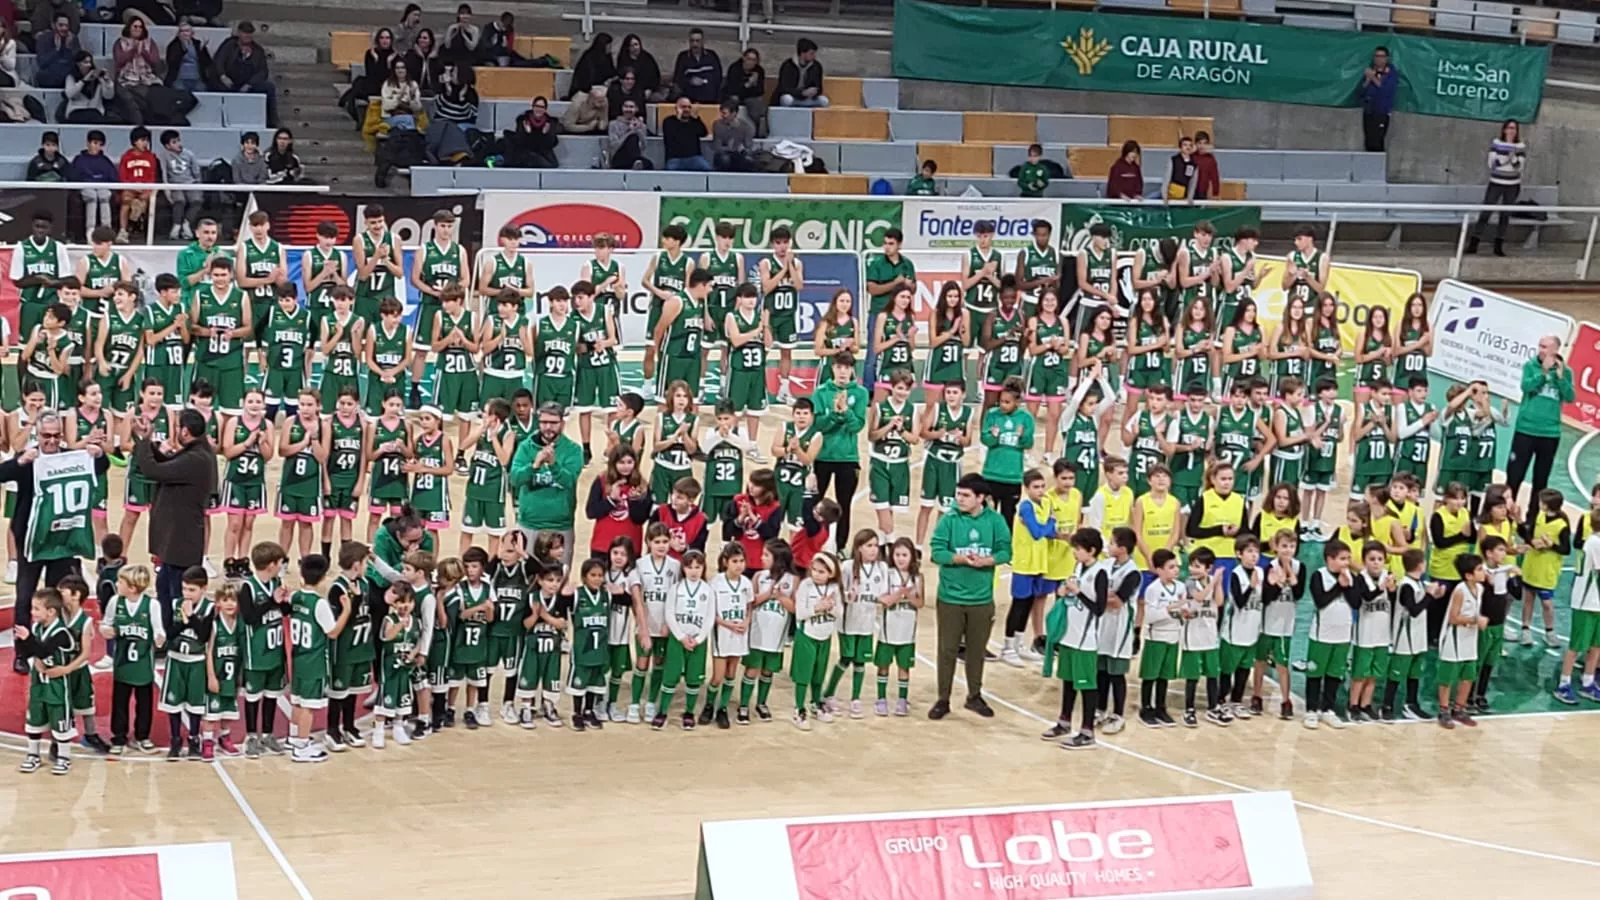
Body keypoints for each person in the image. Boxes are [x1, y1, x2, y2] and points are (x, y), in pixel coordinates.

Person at [0, 411, 109, 673]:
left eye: (56, 435)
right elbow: (2, 474)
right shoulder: (30, 458)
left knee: (58, 596)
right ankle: (22, 651)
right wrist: (21, 462)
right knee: (25, 597)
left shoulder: (70, 456)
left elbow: (101, 466)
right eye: (46, 436)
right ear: (37, 435)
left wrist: (99, 453)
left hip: (63, 538)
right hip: (32, 540)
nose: (51, 440)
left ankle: (55, 645)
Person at [128, 407, 216, 639]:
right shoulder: (196, 452)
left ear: (185, 432)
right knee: (165, 592)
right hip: (175, 542)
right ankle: (167, 636)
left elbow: (153, 470)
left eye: (177, 427)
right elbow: (166, 462)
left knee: (178, 597)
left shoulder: (197, 458)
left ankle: (179, 639)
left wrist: (144, 441)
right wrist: (148, 442)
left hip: (181, 542)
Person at [928, 473, 1009, 721]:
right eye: (958, 494)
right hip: (950, 597)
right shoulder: (949, 520)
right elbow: (936, 552)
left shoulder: (995, 521)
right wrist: (961, 559)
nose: (959, 499)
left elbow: (1006, 550)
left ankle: (974, 695)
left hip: (981, 598)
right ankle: (943, 698)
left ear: (980, 498)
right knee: (947, 650)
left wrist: (988, 560)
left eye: (965, 495)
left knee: (976, 651)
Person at [511, 402, 584, 565]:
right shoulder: (525, 447)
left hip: (560, 525)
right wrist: (534, 466)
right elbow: (515, 479)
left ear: (562, 424)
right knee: (527, 578)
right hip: (529, 524)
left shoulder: (573, 450)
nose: (548, 427)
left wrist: (553, 464)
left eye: (553, 423)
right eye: (544, 422)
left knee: (559, 577)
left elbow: (569, 481)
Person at [1506, 335, 1573, 501]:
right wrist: (1543, 373)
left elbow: (1570, 397)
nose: (1540, 350)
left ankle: (1532, 519)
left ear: (1555, 350)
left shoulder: (1566, 371)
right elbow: (1526, 387)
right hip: (1526, 429)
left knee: (1540, 481)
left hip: (1550, 433)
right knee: (1514, 476)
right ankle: (1505, 513)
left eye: (1545, 347)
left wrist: (1560, 378)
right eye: (1540, 346)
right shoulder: (1530, 366)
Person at [1467, 120, 1526, 257]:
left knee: (1505, 215)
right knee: (1486, 212)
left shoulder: (1520, 146)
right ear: (1504, 130)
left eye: (1514, 128)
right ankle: (1474, 243)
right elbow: (1493, 164)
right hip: (1496, 183)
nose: (1511, 131)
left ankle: (1499, 245)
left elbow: (1519, 166)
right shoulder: (1497, 143)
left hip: (1512, 185)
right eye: (1509, 128)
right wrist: (1509, 158)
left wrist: (1510, 158)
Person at [215, 22, 277, 128]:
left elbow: (263, 71)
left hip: (248, 84)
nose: (247, 37)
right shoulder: (229, 45)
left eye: (250, 34)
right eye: (245, 33)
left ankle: (271, 122)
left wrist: (250, 83)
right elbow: (218, 61)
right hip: (229, 82)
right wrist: (223, 76)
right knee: (217, 86)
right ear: (239, 33)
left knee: (269, 87)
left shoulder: (258, 50)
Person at [69, 130, 116, 241]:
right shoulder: (79, 160)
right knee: (92, 197)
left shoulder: (105, 160)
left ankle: (107, 229)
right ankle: (90, 231)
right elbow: (73, 177)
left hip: (102, 187)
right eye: (94, 143)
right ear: (88, 143)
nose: (97, 147)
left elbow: (113, 177)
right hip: (86, 187)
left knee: (104, 196)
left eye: (100, 144)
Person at [112, 16, 163, 118]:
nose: (138, 29)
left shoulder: (150, 43)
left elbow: (155, 61)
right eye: (135, 26)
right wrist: (132, 50)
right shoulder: (120, 43)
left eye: (140, 27)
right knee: (129, 99)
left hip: (146, 78)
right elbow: (119, 61)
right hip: (125, 79)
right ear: (129, 28)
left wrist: (143, 51)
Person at [158, 129, 202, 240]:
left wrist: (199, 186)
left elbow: (196, 172)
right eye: (174, 142)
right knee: (179, 201)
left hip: (190, 184)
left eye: (178, 140)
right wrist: (167, 191)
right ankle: (176, 226)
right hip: (175, 185)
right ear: (167, 146)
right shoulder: (163, 156)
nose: (178, 144)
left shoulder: (189, 154)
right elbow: (164, 173)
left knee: (197, 201)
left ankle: (186, 224)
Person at [1358, 46, 1398, 152]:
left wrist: (1373, 78)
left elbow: (1386, 91)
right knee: (1368, 141)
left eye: (1381, 56)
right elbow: (1361, 92)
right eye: (1376, 56)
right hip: (1369, 111)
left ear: (1387, 58)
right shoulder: (1370, 71)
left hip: (1381, 113)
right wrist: (1367, 79)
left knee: (1378, 141)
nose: (1378, 59)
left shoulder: (1391, 74)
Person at [724, 48, 767, 136]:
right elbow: (732, 89)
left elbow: (760, 91)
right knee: (733, 100)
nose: (750, 62)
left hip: (750, 97)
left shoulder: (759, 71)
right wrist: (747, 84)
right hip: (734, 96)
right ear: (744, 58)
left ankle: (761, 127)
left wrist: (754, 85)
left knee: (756, 103)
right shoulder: (735, 68)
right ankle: (729, 128)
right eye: (749, 59)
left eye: (754, 60)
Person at [774, 38, 827, 108]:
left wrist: (814, 92)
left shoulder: (816, 66)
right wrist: (802, 93)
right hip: (793, 98)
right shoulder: (788, 65)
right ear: (802, 54)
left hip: (807, 99)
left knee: (824, 101)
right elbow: (783, 88)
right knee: (787, 99)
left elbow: (819, 87)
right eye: (811, 53)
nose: (814, 56)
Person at [164, 20, 215, 94]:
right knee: (179, 90)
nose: (184, 33)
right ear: (178, 34)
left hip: (197, 79)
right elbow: (171, 62)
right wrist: (183, 50)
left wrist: (202, 51)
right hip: (179, 79)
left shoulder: (198, 45)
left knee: (202, 89)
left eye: (187, 31)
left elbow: (208, 62)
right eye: (182, 31)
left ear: (192, 33)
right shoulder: (173, 46)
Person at [672, 28, 721, 103]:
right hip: (690, 94)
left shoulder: (712, 56)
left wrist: (704, 81)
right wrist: (690, 81)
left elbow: (717, 77)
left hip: (709, 95)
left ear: (703, 42)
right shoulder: (683, 57)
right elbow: (678, 78)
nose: (695, 44)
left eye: (697, 41)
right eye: (692, 41)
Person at [63, 52, 113, 123]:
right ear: (78, 64)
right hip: (76, 110)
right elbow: (70, 94)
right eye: (85, 62)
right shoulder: (71, 77)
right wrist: (83, 81)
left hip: (94, 110)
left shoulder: (97, 78)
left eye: (90, 62)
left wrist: (107, 81)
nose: (89, 65)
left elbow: (108, 96)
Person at [662, 96, 709, 171]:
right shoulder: (669, 121)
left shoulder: (694, 121)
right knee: (670, 169)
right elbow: (671, 135)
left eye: (689, 107)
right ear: (677, 108)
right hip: (675, 159)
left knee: (706, 168)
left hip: (694, 158)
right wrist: (679, 118)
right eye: (683, 107)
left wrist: (696, 118)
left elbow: (704, 133)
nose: (687, 109)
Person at [511, 95, 559, 168]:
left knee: (553, 164)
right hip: (526, 151)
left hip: (542, 152)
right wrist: (527, 133)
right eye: (537, 106)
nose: (539, 109)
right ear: (533, 107)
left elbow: (550, 144)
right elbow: (519, 142)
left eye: (542, 107)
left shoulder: (550, 122)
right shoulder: (523, 120)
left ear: (545, 109)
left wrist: (545, 134)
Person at [615, 34, 665, 102]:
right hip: (628, 89)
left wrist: (650, 89)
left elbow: (655, 76)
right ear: (628, 47)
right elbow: (621, 75)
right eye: (631, 45)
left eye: (636, 44)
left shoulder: (647, 58)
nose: (635, 47)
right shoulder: (623, 58)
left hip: (646, 89)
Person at [34, 13, 79, 89]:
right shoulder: (43, 39)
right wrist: (56, 50)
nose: (64, 28)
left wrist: (68, 48)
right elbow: (42, 63)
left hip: (68, 76)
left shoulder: (73, 39)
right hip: (49, 75)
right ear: (53, 25)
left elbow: (77, 63)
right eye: (61, 25)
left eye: (66, 26)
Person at [604, 98, 649, 170]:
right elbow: (614, 145)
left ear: (636, 109)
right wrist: (630, 131)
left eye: (631, 107)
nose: (628, 109)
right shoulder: (613, 124)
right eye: (626, 106)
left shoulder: (641, 126)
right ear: (622, 108)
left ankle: (636, 162)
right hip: (618, 157)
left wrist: (638, 131)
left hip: (636, 158)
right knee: (632, 138)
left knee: (649, 164)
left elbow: (643, 146)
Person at [711, 99, 754, 172]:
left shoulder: (745, 127)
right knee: (725, 159)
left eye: (724, 113)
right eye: (721, 113)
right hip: (724, 153)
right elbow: (717, 147)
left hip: (739, 154)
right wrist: (730, 148)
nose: (722, 116)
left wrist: (743, 148)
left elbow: (748, 146)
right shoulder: (717, 125)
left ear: (733, 114)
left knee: (748, 161)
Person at [569, 32, 615, 99]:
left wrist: (611, 79)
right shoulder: (588, 58)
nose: (610, 48)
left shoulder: (607, 57)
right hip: (587, 90)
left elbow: (612, 72)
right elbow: (586, 78)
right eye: (609, 45)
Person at [1165, 135, 1196, 200]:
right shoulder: (1173, 160)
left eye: (1190, 145)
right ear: (1180, 147)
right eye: (1185, 145)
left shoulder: (1194, 164)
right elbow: (1167, 178)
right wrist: (1165, 195)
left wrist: (1189, 197)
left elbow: (1192, 183)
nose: (1188, 147)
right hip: (1170, 194)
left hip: (1183, 196)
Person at [1193, 131, 1221, 200]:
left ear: (1208, 144)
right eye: (1199, 143)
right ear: (1195, 144)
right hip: (1189, 191)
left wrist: (1215, 193)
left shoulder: (1211, 159)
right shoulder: (1191, 156)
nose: (1202, 146)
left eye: (1205, 143)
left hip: (1202, 192)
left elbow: (1214, 177)